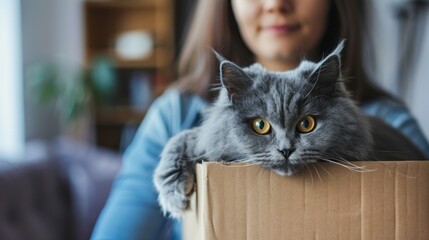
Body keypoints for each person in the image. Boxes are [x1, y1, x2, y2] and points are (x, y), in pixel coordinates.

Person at [91, 0, 429, 239]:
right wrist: (190, 145)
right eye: (261, 126)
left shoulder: (392, 120)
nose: (276, 3)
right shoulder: (175, 116)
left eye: (306, 124)